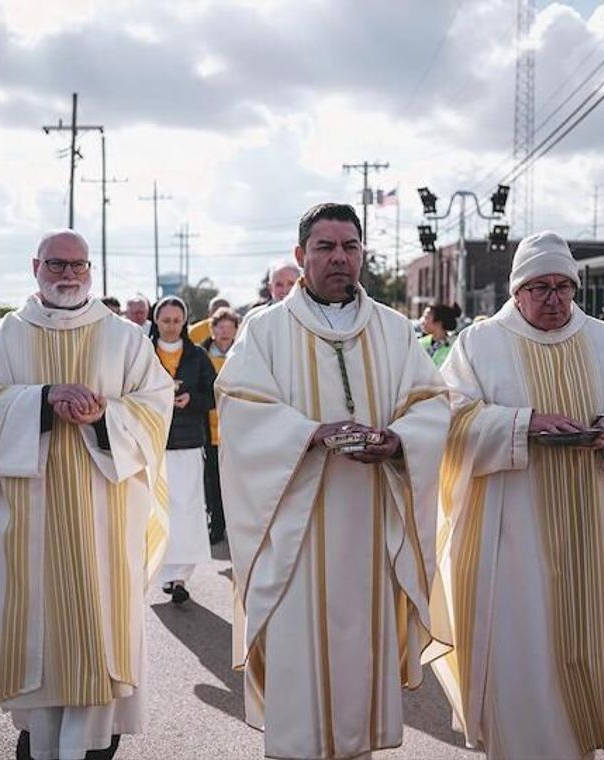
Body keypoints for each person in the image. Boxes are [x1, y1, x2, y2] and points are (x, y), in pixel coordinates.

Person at [215, 203, 450, 760]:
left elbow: (432, 404)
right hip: (297, 533)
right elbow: (240, 406)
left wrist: (398, 441)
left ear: (363, 254)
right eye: (325, 247)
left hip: (371, 527)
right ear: (301, 257)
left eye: (350, 247)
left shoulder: (395, 330)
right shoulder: (266, 330)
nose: (339, 258)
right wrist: (310, 433)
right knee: (302, 675)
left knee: (357, 676)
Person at [433, 231, 604, 760]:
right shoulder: (480, 343)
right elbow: (449, 416)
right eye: (540, 287)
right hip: (508, 535)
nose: (555, 299)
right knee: (521, 654)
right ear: (517, 291)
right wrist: (523, 424)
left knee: (591, 641)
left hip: (593, 529)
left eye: (564, 286)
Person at [0, 229, 173, 760]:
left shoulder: (123, 337)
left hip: (105, 523)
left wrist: (106, 418)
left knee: (99, 651)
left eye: (79, 265)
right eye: (57, 265)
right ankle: (38, 746)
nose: (69, 275)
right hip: (24, 526)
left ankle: (95, 748)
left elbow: (155, 407)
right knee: (38, 658)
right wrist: (43, 400)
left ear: (92, 271)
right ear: (35, 267)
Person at [150, 295, 215, 604]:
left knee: (188, 508)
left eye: (177, 321)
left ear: (185, 322)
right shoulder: (143, 353)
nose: (172, 326)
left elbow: (213, 395)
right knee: (159, 509)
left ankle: (180, 577)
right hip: (154, 442)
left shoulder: (198, 355)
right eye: (166, 321)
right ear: (155, 321)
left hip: (189, 441)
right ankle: (162, 572)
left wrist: (192, 401)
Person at [200, 306, 239, 544]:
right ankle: (216, 525)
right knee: (212, 480)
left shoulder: (244, 354)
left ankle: (237, 526)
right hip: (209, 428)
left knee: (236, 482)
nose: (224, 332)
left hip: (237, 429)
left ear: (236, 330)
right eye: (220, 327)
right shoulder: (203, 355)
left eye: (229, 327)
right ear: (212, 330)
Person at [242, 260, 301, 325]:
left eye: (291, 284)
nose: (285, 290)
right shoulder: (255, 318)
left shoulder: (310, 315)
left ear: (300, 285)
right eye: (279, 285)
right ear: (270, 288)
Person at [419, 303, 461, 367]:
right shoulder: (420, 343)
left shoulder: (455, 345)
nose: (422, 321)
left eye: (426, 317)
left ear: (438, 322)